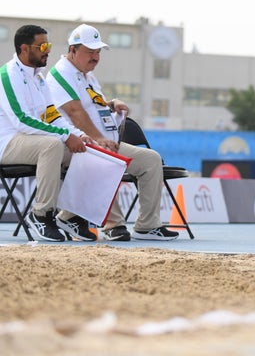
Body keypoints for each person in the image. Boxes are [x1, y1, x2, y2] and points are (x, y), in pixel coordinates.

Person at [46, 24, 179, 241]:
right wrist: (99, 139)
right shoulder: (61, 74)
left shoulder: (86, 75)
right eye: (90, 52)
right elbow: (74, 111)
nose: (96, 57)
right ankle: (111, 224)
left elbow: (92, 105)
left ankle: (147, 226)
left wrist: (111, 104)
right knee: (109, 159)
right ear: (73, 50)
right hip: (79, 143)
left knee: (151, 160)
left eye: (98, 52)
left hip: (106, 141)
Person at [0, 24, 95, 242]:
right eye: (42, 45)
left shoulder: (39, 78)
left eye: (49, 44)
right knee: (52, 145)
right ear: (24, 48)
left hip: (31, 141)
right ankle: (41, 214)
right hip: (7, 142)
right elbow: (21, 120)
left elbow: (52, 115)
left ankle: (70, 216)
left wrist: (77, 134)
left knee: (84, 150)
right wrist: (64, 136)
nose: (48, 50)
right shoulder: (8, 75)